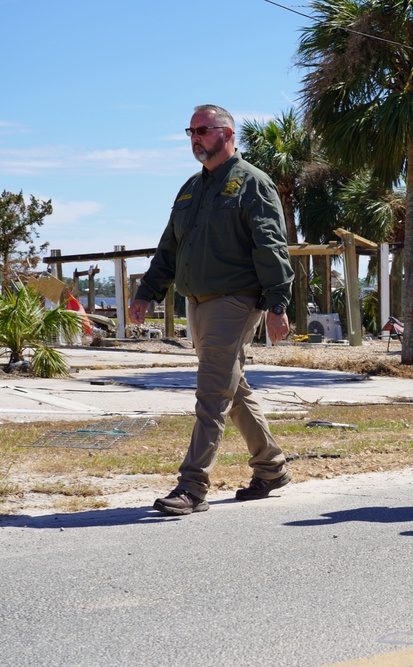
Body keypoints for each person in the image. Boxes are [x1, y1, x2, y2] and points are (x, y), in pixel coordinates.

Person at [129, 104, 295, 515]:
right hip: (197, 303)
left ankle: (192, 487)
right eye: (190, 131)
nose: (194, 138)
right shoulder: (190, 189)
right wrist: (146, 292)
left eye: (202, 130)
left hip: (235, 301)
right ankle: (271, 467)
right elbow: (170, 247)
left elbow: (271, 245)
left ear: (227, 133)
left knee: (210, 392)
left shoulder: (252, 183)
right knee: (230, 389)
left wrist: (277, 303)